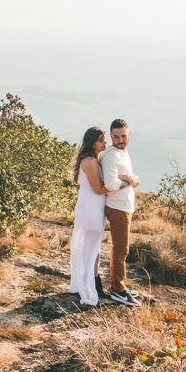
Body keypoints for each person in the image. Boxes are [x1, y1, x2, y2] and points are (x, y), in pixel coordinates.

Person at [100, 118, 141, 307]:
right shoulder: (112, 156)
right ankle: (118, 289)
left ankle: (119, 285)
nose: (120, 140)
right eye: (116, 136)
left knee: (121, 249)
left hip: (124, 206)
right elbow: (109, 184)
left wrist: (127, 178)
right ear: (111, 136)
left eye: (123, 136)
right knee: (120, 249)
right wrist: (128, 181)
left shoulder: (122, 152)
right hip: (117, 208)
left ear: (129, 135)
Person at [69, 127, 110, 310]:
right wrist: (123, 183)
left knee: (94, 249)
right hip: (91, 208)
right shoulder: (90, 163)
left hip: (93, 206)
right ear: (93, 142)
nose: (105, 143)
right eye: (102, 140)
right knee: (90, 250)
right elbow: (98, 189)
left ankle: (92, 282)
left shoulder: (93, 160)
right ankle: (88, 289)